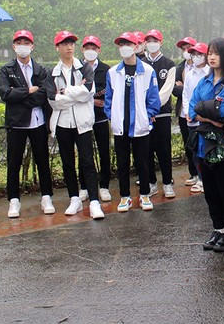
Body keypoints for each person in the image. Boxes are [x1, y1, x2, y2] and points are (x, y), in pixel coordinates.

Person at [189, 38, 224, 252]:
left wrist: (206, 111)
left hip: (223, 148)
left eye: (216, 53)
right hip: (203, 145)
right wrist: (208, 115)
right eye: (210, 52)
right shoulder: (203, 82)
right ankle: (217, 228)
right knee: (210, 191)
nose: (211, 57)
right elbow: (192, 111)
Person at [45, 31, 104, 220]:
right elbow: (53, 100)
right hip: (62, 123)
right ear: (57, 48)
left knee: (87, 161)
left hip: (83, 123)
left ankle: (94, 201)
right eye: (64, 44)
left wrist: (65, 91)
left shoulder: (85, 68)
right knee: (68, 162)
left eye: (71, 43)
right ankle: (74, 198)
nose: (69, 47)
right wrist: (74, 95)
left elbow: (88, 92)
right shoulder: (51, 72)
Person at [0, 30, 55, 218]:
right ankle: (14, 200)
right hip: (17, 124)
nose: (23, 45)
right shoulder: (7, 70)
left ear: (32, 46)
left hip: (38, 123)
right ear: (14, 46)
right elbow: (6, 94)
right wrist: (29, 90)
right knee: (13, 163)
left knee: (42, 161)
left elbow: (44, 94)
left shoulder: (41, 70)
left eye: (26, 42)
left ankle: (46, 196)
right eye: (19, 42)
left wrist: (22, 96)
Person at [105, 31, 161, 212]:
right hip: (120, 127)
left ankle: (144, 194)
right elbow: (109, 98)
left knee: (143, 162)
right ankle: (125, 197)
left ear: (136, 47)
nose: (125, 48)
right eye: (121, 44)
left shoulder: (148, 70)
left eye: (128, 44)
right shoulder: (113, 72)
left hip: (140, 127)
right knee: (122, 164)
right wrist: (112, 116)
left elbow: (153, 99)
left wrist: (147, 118)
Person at [142, 29, 177, 199]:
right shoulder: (140, 63)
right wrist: (146, 110)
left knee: (164, 150)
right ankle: (151, 183)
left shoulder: (169, 64)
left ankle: (168, 183)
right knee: (146, 150)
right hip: (144, 115)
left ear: (160, 42)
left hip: (161, 114)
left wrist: (153, 108)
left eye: (154, 40)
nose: (151, 43)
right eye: (148, 40)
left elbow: (167, 89)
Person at [81, 35, 112, 202]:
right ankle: (84, 186)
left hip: (100, 118)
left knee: (104, 152)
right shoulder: (77, 68)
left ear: (99, 50)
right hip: (83, 118)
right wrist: (92, 100)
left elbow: (111, 91)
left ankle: (105, 186)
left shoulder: (106, 69)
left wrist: (104, 103)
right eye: (87, 48)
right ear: (82, 50)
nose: (90, 51)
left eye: (94, 48)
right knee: (84, 154)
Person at [182, 41, 210, 193]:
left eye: (199, 54)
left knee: (206, 148)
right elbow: (186, 94)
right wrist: (187, 111)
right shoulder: (190, 74)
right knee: (194, 149)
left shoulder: (209, 72)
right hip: (191, 118)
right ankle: (199, 178)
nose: (196, 57)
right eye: (194, 55)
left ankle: (207, 178)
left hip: (205, 118)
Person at [173, 36, 200, 186]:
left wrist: (183, 86)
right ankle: (193, 173)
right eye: (183, 49)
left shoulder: (204, 68)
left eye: (188, 48)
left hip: (199, 113)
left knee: (199, 144)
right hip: (183, 112)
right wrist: (183, 88)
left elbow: (198, 90)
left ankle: (202, 174)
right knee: (188, 144)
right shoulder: (180, 67)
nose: (186, 51)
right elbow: (175, 90)